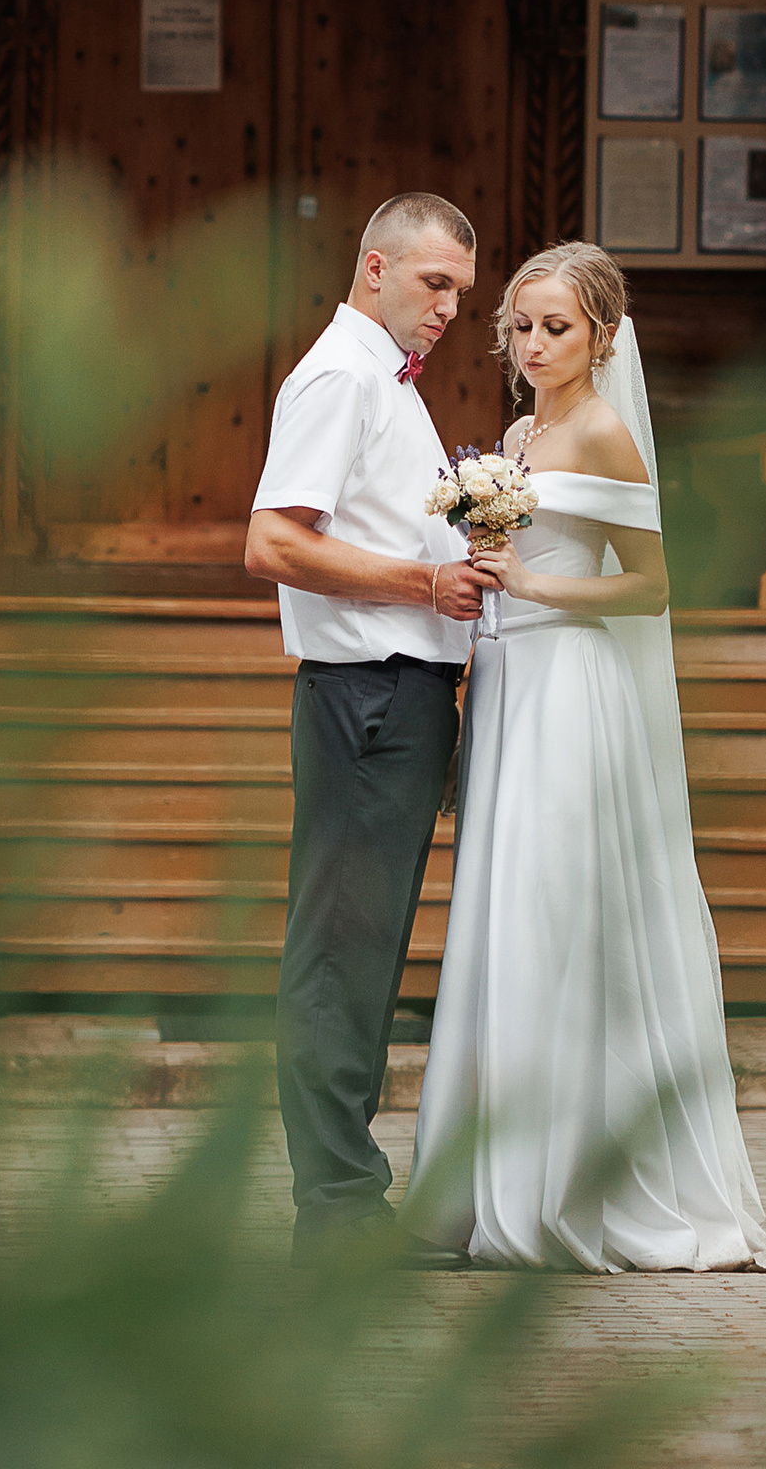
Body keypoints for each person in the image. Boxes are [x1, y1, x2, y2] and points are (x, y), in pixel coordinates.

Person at [409, 240, 766, 1272]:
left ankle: (576, 1184)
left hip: (570, 687)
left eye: (556, 327)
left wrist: (536, 586)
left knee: (557, 914)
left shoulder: (606, 433)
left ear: (602, 336)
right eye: (521, 326)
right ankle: (485, 1180)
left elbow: (650, 586)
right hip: (506, 684)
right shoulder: (519, 435)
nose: (533, 344)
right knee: (503, 913)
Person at [244, 193, 487, 1260]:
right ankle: (337, 1213)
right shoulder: (341, 375)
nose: (449, 309)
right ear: (376, 267)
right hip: (366, 697)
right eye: (435, 284)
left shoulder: (386, 380)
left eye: (460, 294)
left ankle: (350, 1201)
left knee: (369, 953)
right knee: (340, 954)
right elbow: (271, 543)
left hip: (401, 695)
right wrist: (424, 586)